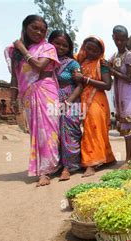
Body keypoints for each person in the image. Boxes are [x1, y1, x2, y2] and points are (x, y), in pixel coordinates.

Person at [5, 15, 60, 187]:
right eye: (34, 28)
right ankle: (41, 168)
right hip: (28, 95)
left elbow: (39, 66)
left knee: (49, 131)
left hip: (46, 91)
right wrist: (13, 101)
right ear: (25, 27)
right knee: (36, 132)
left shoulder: (48, 47)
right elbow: (14, 77)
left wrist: (22, 49)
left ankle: (47, 171)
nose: (39, 32)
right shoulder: (14, 52)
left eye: (43, 30)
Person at [74, 36, 115, 177]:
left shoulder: (102, 63)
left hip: (97, 99)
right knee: (93, 129)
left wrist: (85, 79)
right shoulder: (80, 61)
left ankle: (91, 164)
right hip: (84, 99)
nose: (91, 52)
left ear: (100, 52)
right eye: (88, 48)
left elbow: (108, 85)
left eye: (95, 50)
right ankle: (107, 158)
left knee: (93, 130)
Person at [48, 30, 83, 181]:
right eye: (57, 43)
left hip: (71, 100)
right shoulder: (48, 62)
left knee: (70, 133)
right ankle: (58, 165)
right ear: (50, 43)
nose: (61, 47)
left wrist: (68, 102)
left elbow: (80, 85)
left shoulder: (73, 63)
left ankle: (70, 167)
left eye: (65, 45)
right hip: (52, 100)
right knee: (55, 133)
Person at [106, 25, 131, 167]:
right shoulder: (115, 56)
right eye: (117, 39)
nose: (119, 42)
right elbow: (107, 66)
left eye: (122, 40)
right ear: (113, 37)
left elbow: (129, 78)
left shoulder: (129, 55)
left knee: (127, 125)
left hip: (129, 94)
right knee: (129, 126)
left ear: (127, 40)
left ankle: (128, 160)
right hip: (120, 94)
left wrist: (112, 70)